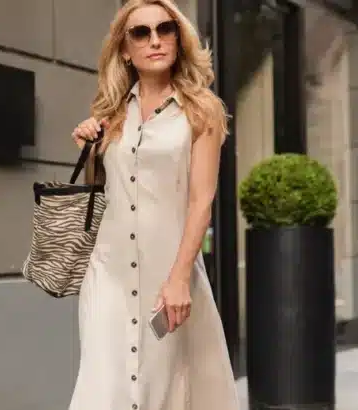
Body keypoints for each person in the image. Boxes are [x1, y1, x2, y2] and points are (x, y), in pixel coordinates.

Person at [67, 1, 239, 409]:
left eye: (165, 29)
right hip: (107, 274)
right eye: (141, 33)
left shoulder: (201, 111)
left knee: (161, 388)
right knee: (103, 386)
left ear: (179, 39)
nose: (155, 40)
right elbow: (101, 193)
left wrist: (180, 278)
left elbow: (202, 201)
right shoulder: (110, 114)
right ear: (125, 49)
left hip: (168, 274)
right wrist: (89, 149)